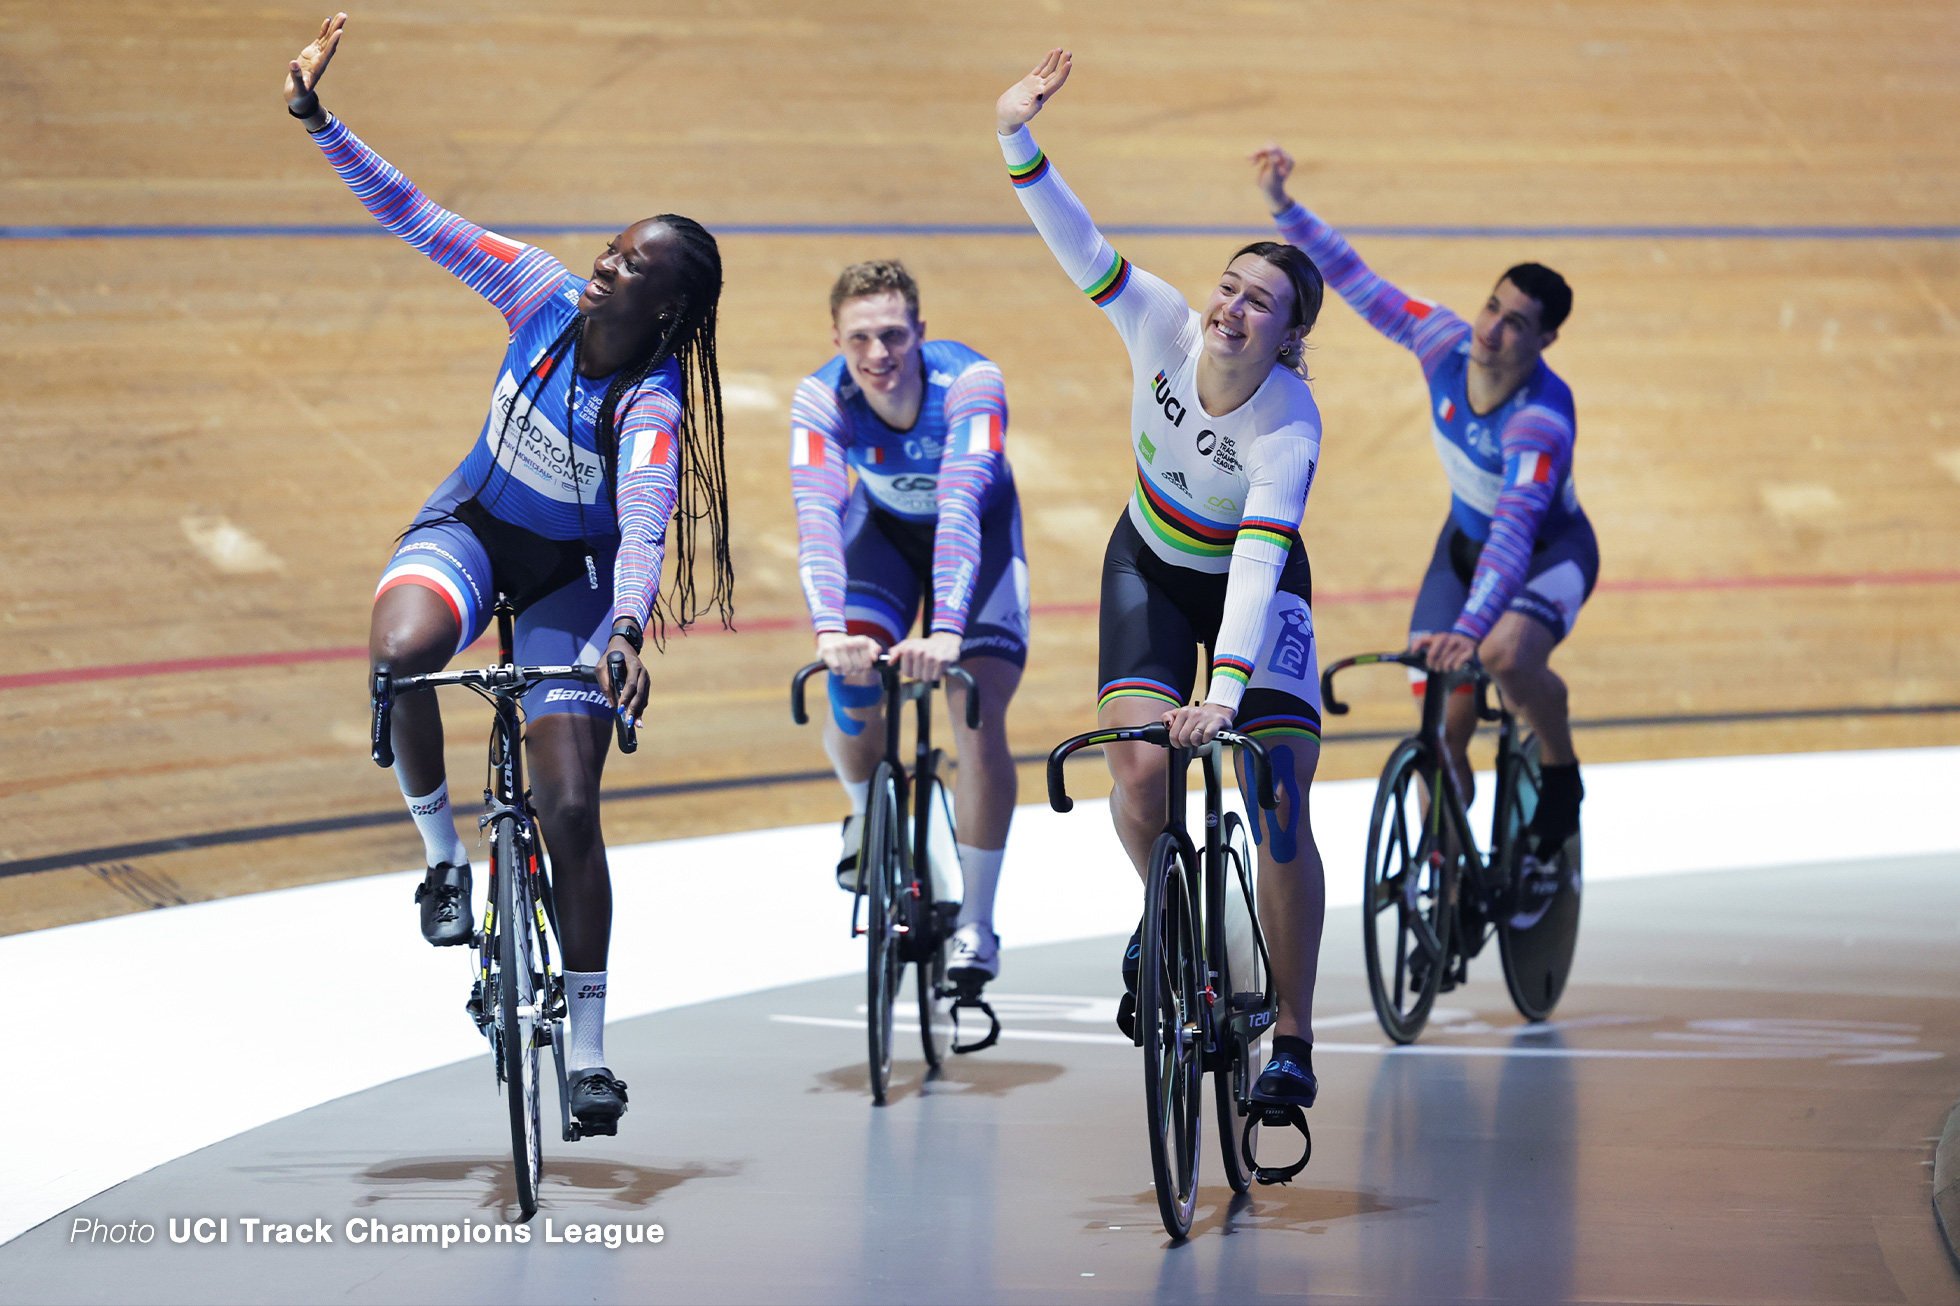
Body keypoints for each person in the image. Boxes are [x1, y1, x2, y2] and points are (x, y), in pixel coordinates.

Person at [284, 13, 734, 1133]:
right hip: (475, 525)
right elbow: (418, 218)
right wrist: (320, 120)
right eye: (612, 245)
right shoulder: (537, 293)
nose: (605, 261)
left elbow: (643, 525)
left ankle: (585, 1045)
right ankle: (442, 859)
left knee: (570, 803)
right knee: (401, 658)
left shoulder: (653, 404)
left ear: (663, 307)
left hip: (571, 581)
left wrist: (625, 628)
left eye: (629, 264)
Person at [997, 51, 1328, 1108]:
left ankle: (1292, 1038)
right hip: (1146, 559)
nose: (1231, 307)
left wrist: (1222, 695)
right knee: (1139, 774)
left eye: (1258, 303)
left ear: (1287, 337)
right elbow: (1079, 244)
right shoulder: (1159, 323)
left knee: (1274, 799)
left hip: (1251, 587)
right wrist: (1017, 138)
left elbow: (1261, 561)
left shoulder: (1288, 427)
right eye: (1230, 285)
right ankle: (1168, 915)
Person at [1251, 143, 1596, 926]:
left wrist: (1472, 631)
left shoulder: (1541, 417)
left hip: (1548, 556)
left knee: (1504, 654)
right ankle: (1457, 856)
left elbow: (1514, 533)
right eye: (1492, 308)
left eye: (1517, 325)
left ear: (1544, 343)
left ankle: (1562, 770)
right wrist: (1283, 206)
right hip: (1462, 548)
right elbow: (1359, 281)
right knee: (1443, 732)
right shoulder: (1443, 342)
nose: (1494, 330)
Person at [790, 260, 1027, 986]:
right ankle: (868, 816)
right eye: (860, 338)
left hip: (978, 542)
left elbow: (959, 506)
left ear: (921, 331)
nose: (878, 355)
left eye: (894, 335)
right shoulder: (820, 396)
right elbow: (817, 516)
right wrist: (831, 632)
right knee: (853, 684)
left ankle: (978, 924)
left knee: (975, 711)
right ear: (836, 337)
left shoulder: (971, 384)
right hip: (884, 538)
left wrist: (948, 631)